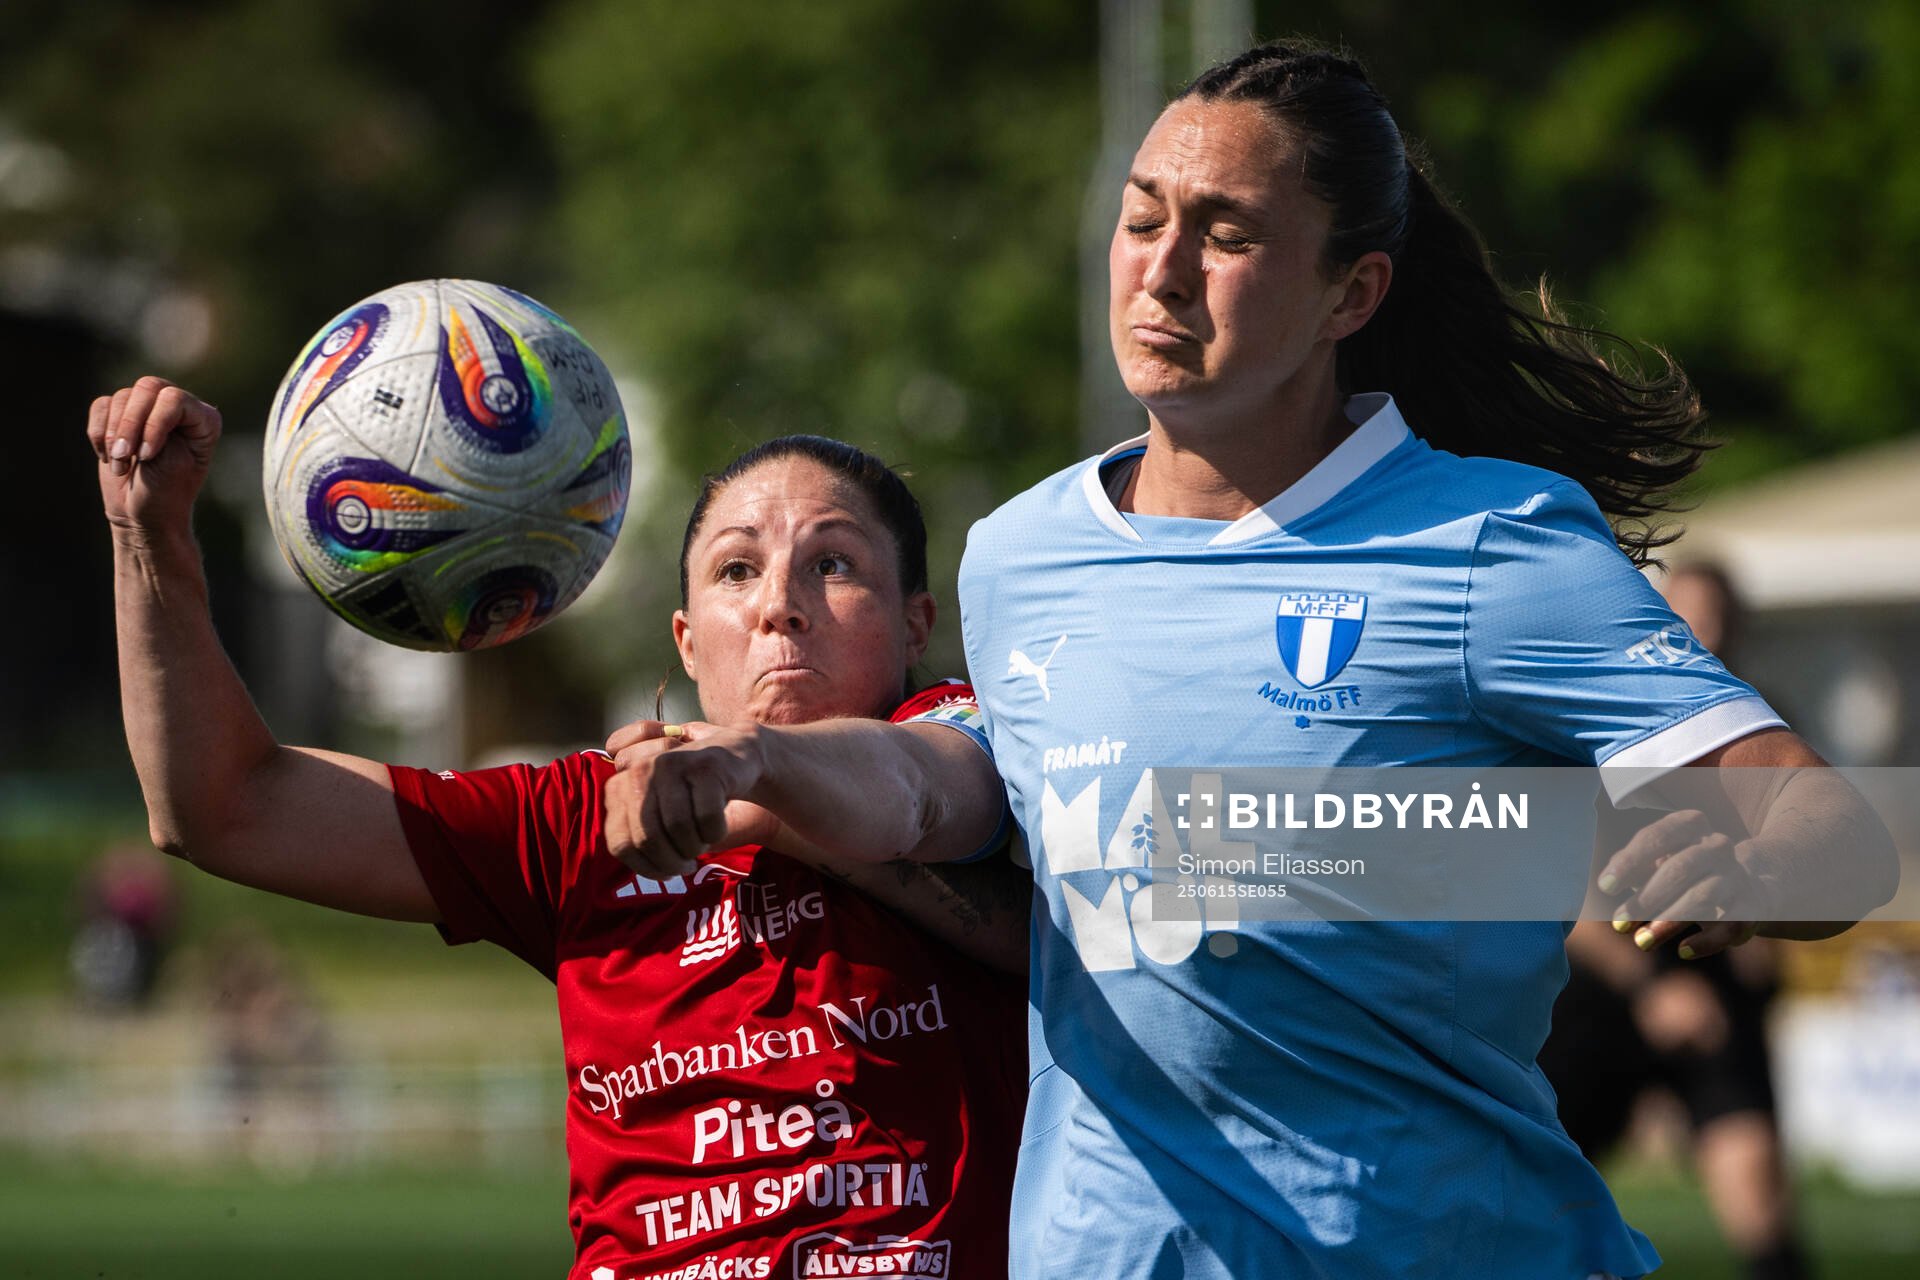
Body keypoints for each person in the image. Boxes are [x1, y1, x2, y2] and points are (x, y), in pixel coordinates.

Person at [955, 40, 1896, 1279]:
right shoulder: (1014, 560)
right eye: (1142, 219)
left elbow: (1837, 834)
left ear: (1353, 295)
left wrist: (1755, 861)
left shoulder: (1485, 544)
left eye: (1227, 236)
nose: (1163, 272)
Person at [90, 377, 1027, 1280]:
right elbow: (224, 808)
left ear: (916, 626)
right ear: (688, 640)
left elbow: (923, 791)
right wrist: (150, 535)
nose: (779, 601)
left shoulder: (976, 741)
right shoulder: (584, 819)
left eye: (834, 564)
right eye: (736, 569)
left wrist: (753, 773)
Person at [1542, 563, 1810, 1280]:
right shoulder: (1592, 723)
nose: (1702, 635)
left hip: (1711, 981)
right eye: (1685, 618)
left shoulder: (1759, 726)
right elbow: (1570, 893)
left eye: (1716, 618)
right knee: (1539, 1201)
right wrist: (1648, 988)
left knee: (1756, 1182)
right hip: (1604, 983)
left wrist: (1765, 926)